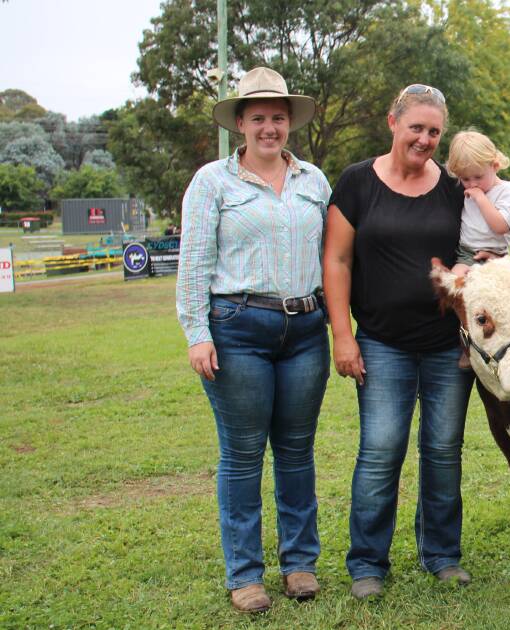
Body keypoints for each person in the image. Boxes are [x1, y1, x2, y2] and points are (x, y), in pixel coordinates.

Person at [176, 67, 330, 613]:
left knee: (296, 452)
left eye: (278, 118)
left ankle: (299, 565)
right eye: (258, 117)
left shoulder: (314, 180)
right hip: (238, 328)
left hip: (307, 329)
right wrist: (198, 333)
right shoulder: (213, 182)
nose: (269, 127)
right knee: (242, 455)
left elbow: (332, 259)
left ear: (290, 124)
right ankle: (245, 574)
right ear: (240, 123)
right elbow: (195, 263)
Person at [323, 84, 475, 599]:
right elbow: (337, 261)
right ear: (393, 122)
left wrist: (469, 269)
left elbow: (480, 250)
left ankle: (442, 555)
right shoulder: (357, 183)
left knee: (442, 450)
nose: (426, 139)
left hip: (445, 344)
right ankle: (367, 562)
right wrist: (343, 336)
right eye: (417, 127)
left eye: (434, 131)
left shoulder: (453, 188)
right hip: (382, 343)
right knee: (382, 449)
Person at [446, 130, 510, 277]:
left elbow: (501, 227)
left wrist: (481, 198)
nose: (472, 183)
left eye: (478, 177)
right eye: (465, 179)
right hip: (467, 254)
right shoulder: (467, 189)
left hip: (497, 255)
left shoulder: (507, 192)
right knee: (454, 281)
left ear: (495, 166)